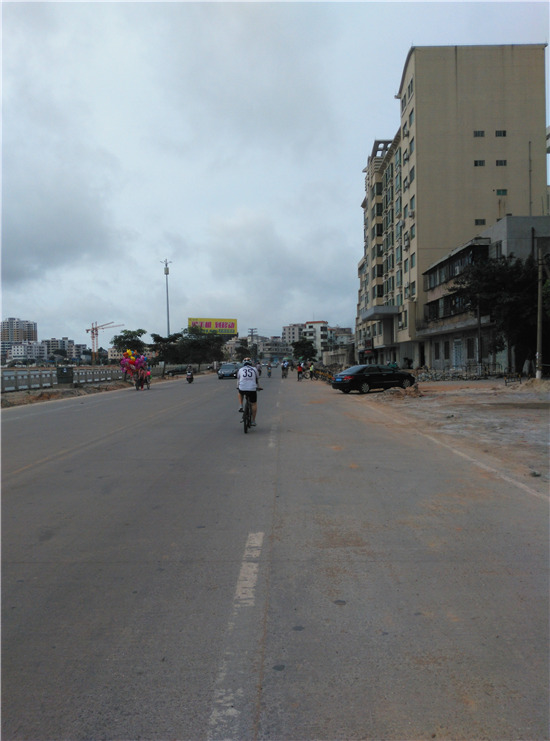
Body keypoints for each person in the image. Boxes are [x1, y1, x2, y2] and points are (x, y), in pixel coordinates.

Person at [237, 358, 262, 426]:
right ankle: (253, 421)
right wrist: (258, 387)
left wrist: (238, 387)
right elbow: (257, 379)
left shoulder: (240, 369)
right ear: (251, 363)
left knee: (240, 393)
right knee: (253, 404)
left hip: (242, 388)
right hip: (252, 389)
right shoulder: (254, 369)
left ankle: (241, 405)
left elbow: (238, 379)